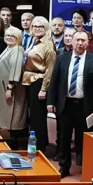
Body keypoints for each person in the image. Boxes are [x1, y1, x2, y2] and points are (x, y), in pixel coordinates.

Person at [48, 31, 93, 177]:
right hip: (65, 104)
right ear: (72, 42)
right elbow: (54, 81)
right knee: (64, 136)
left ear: (87, 43)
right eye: (77, 40)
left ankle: (86, 166)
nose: (80, 43)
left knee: (84, 138)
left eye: (83, 40)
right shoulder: (62, 58)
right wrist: (50, 102)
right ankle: (64, 166)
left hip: (85, 106)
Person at [22, 16, 56, 153]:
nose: (37, 29)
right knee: (33, 117)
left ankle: (39, 148)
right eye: (35, 26)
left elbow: (50, 70)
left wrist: (44, 89)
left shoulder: (48, 44)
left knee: (38, 118)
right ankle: (36, 142)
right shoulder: (33, 41)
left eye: (40, 26)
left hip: (39, 82)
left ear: (46, 28)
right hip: (29, 80)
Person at [0, 26, 27, 149]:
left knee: (13, 117)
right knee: (4, 117)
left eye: (13, 36)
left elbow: (16, 68)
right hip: (1, 87)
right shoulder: (8, 48)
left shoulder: (17, 50)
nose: (9, 38)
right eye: (7, 35)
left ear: (18, 38)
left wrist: (10, 87)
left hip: (11, 89)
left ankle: (15, 145)